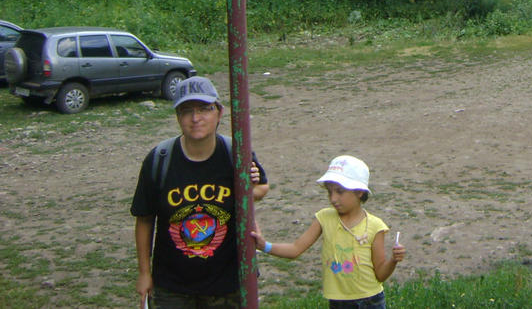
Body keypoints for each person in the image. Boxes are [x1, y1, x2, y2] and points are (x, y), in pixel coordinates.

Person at [131, 76, 269, 308]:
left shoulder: (236, 153)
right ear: (177, 117)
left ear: (219, 112)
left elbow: (262, 187)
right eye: (186, 111)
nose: (196, 118)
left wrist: (248, 192)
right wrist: (144, 273)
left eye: (204, 109)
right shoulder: (159, 159)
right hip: (172, 286)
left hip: (227, 284)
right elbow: (144, 218)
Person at [252, 155, 405, 309]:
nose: (333, 198)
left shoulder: (375, 226)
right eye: (329, 192)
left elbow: (381, 275)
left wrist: (393, 260)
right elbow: (295, 249)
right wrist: (264, 245)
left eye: (339, 191)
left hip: (370, 301)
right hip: (337, 302)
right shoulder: (324, 218)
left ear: (359, 192)